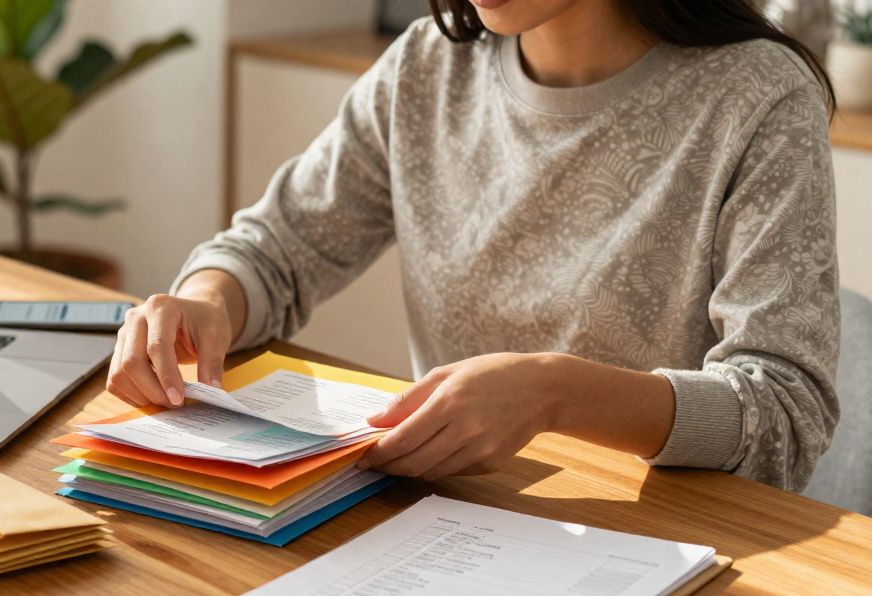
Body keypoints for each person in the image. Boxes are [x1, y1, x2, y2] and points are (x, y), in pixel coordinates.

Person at [107, 0, 841, 492]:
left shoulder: (760, 99)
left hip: (666, 548)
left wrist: (555, 392)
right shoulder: (430, 67)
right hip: (444, 525)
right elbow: (277, 247)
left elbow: (782, 413)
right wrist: (207, 300)